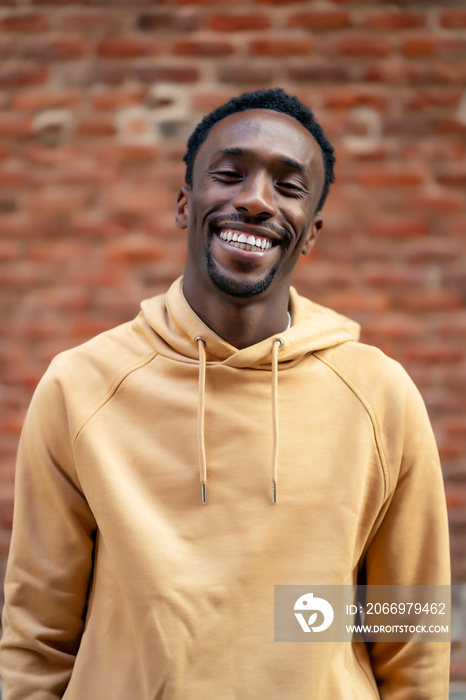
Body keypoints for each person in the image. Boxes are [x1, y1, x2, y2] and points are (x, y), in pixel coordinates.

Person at [0, 88, 450, 699]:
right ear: (185, 202)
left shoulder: (381, 396)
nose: (256, 200)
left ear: (311, 233)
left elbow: (410, 633)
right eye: (230, 174)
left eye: (288, 187)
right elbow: (37, 636)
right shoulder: (80, 387)